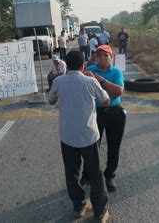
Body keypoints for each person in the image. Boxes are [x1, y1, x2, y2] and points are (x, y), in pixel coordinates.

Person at [49, 51, 110, 222]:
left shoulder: (59, 81)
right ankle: (100, 211)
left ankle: (79, 206)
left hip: (67, 135)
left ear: (66, 66)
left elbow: (51, 100)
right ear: (84, 65)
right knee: (96, 173)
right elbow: (105, 100)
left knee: (72, 172)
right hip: (88, 136)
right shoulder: (90, 81)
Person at [82, 45, 125, 192]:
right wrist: (108, 89)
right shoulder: (88, 72)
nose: (102, 58)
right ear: (95, 57)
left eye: (106, 55)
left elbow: (118, 91)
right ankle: (87, 175)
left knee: (114, 146)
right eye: (99, 55)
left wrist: (99, 81)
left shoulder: (116, 72)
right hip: (95, 113)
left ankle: (110, 175)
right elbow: (86, 91)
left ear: (111, 58)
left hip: (115, 112)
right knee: (92, 146)